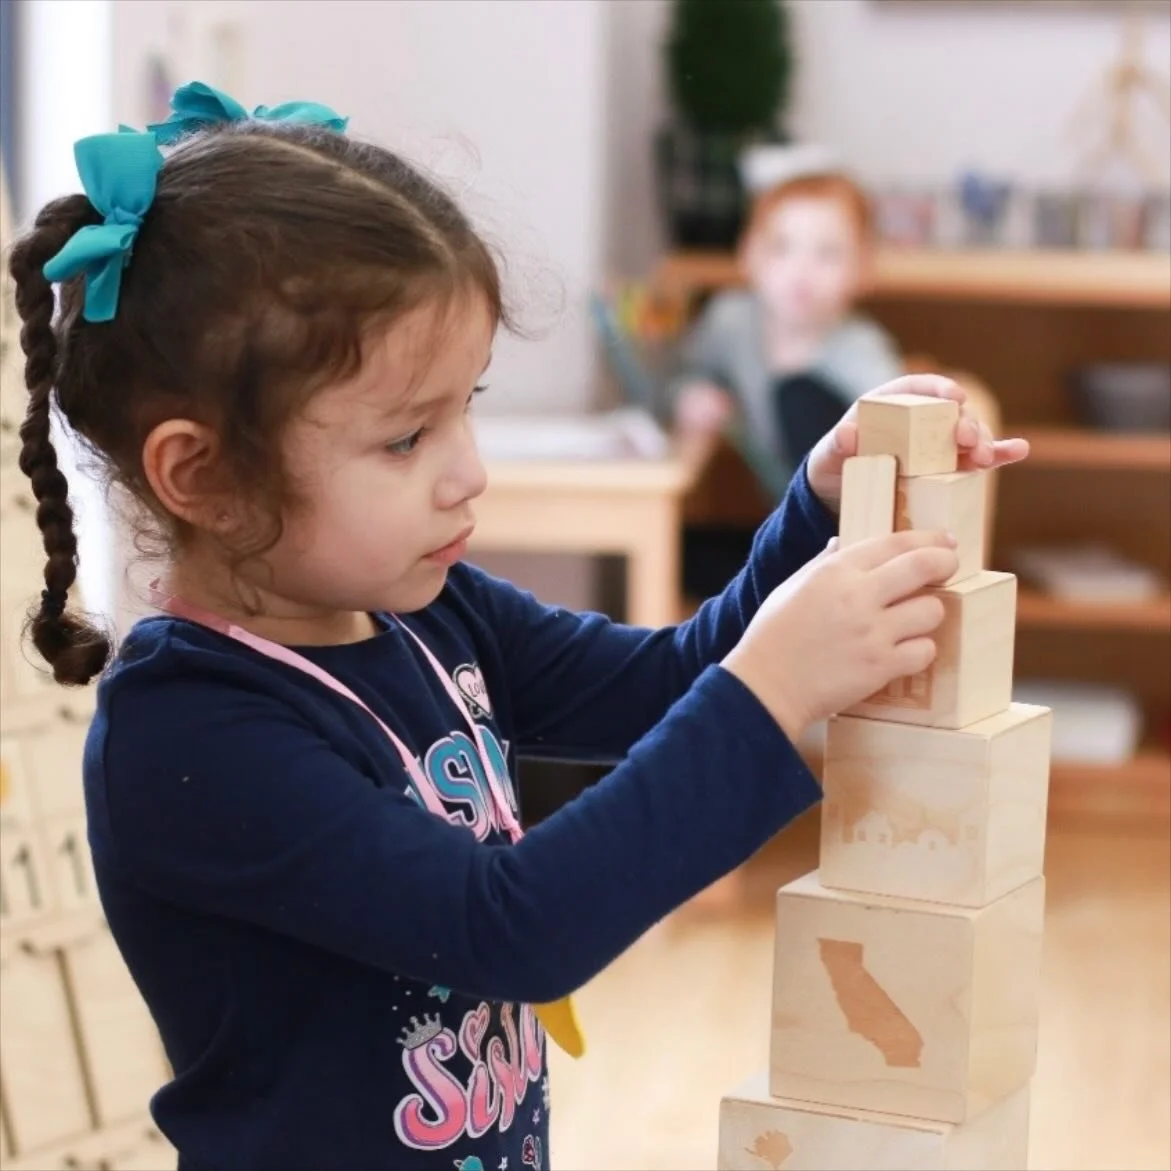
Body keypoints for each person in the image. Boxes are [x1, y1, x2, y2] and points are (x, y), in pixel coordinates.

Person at [7, 82, 1027, 1171]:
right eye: (406, 438)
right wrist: (773, 688)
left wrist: (814, 509)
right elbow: (516, 927)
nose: (468, 474)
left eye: (467, 406)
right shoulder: (192, 738)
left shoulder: (425, 610)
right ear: (200, 475)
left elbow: (666, 679)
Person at [673, 170, 905, 599]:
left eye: (828, 254)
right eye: (782, 249)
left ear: (864, 269)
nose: (802, 271)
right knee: (682, 553)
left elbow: (903, 426)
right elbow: (682, 374)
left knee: (798, 396)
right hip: (785, 528)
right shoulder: (732, 322)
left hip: (851, 540)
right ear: (750, 256)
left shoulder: (859, 352)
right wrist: (689, 396)